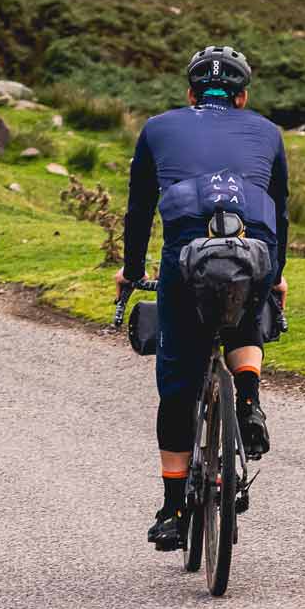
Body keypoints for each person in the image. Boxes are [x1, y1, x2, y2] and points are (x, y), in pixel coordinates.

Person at [118, 44, 289, 552]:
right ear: (242, 98)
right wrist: (276, 276)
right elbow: (279, 211)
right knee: (246, 310)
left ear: (191, 95)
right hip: (253, 247)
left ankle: (173, 510)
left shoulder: (158, 128)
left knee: (177, 376)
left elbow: (138, 210)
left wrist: (132, 273)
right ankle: (249, 399)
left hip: (186, 253)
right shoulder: (269, 132)